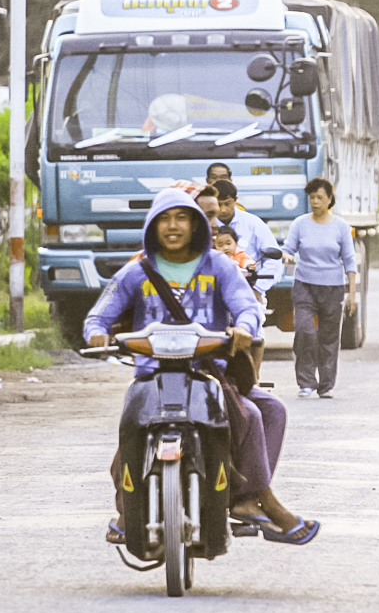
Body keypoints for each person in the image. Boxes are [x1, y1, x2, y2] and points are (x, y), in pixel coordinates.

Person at [84, 188, 319, 545]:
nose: (173, 226)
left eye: (182, 218)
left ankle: (248, 497)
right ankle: (126, 508)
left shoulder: (220, 266)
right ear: (152, 225)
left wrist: (244, 328)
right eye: (164, 219)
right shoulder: (137, 270)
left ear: (196, 225)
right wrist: (96, 333)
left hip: (209, 371)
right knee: (131, 422)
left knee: (263, 412)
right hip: (153, 374)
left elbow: (247, 306)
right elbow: (101, 311)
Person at [282, 177, 358, 399]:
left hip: (332, 287)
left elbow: (349, 261)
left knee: (329, 337)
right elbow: (288, 248)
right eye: (312, 197)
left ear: (330, 199)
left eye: (319, 197)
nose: (315, 202)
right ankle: (306, 381)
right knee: (305, 330)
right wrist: (287, 256)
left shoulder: (341, 227)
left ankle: (326, 384)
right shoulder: (300, 223)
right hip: (305, 284)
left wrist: (352, 293)